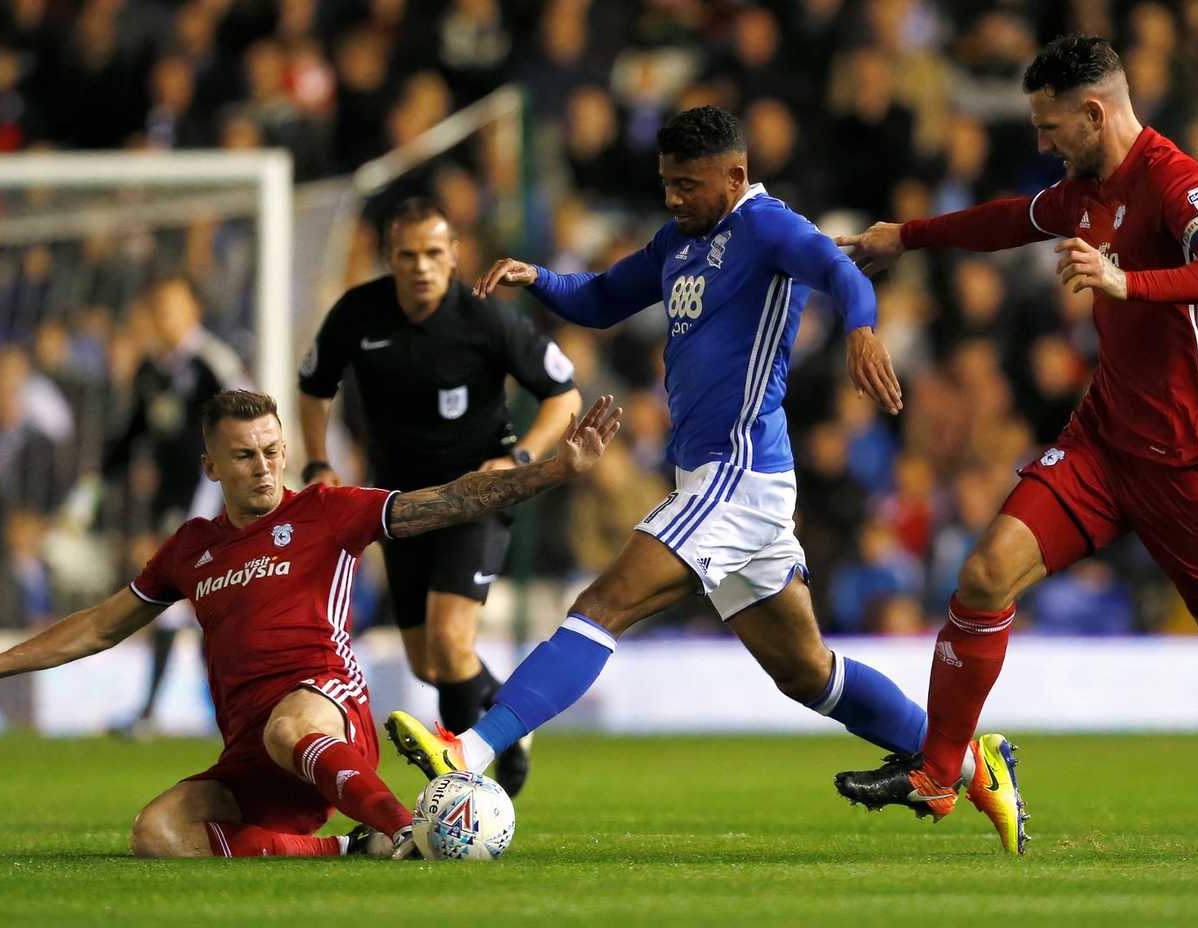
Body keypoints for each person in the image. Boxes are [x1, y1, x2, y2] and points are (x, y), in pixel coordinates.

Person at [385, 106, 1030, 855]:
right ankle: (975, 763)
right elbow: (601, 297)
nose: (673, 199)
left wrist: (860, 327)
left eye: (688, 185)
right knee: (807, 672)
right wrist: (539, 279)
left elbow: (839, 270)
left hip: (737, 472)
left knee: (603, 603)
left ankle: (468, 750)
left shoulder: (768, 228)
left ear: (735, 175)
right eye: (666, 184)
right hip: (724, 479)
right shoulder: (679, 241)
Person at [832, 35, 1198, 855]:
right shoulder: (1081, 189)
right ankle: (939, 773)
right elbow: (1007, 222)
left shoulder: (1175, 181)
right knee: (986, 574)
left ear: (1095, 113)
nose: (1041, 143)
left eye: (1051, 126)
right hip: (1103, 441)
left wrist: (1132, 283)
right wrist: (906, 238)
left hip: (1191, 456)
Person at [0, 388, 622, 859]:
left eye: (273, 450)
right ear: (212, 463)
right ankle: (349, 852)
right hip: (250, 750)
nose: (265, 466)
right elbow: (100, 626)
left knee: (290, 725)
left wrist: (552, 471)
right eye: (245, 455)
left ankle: (408, 827)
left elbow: (452, 499)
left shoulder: (326, 511)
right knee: (155, 836)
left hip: (326, 713)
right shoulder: (190, 548)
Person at [297, 197, 583, 797]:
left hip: (477, 495)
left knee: (452, 644)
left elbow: (565, 395)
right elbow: (314, 386)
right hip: (399, 506)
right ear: (389, 259)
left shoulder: (486, 318)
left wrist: (519, 457)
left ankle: (462, 781)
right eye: (408, 255)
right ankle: (510, 717)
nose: (422, 266)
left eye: (434, 252)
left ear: (455, 255)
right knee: (429, 663)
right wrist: (320, 459)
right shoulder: (358, 312)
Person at [76, 276, 250, 738]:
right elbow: (131, 435)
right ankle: (212, 711)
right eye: (161, 307)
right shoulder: (151, 371)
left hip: (216, 498)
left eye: (175, 305)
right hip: (171, 503)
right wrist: (93, 488)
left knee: (196, 597)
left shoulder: (214, 365)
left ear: (195, 309)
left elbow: (249, 425)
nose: (167, 316)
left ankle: (166, 710)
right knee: (194, 599)